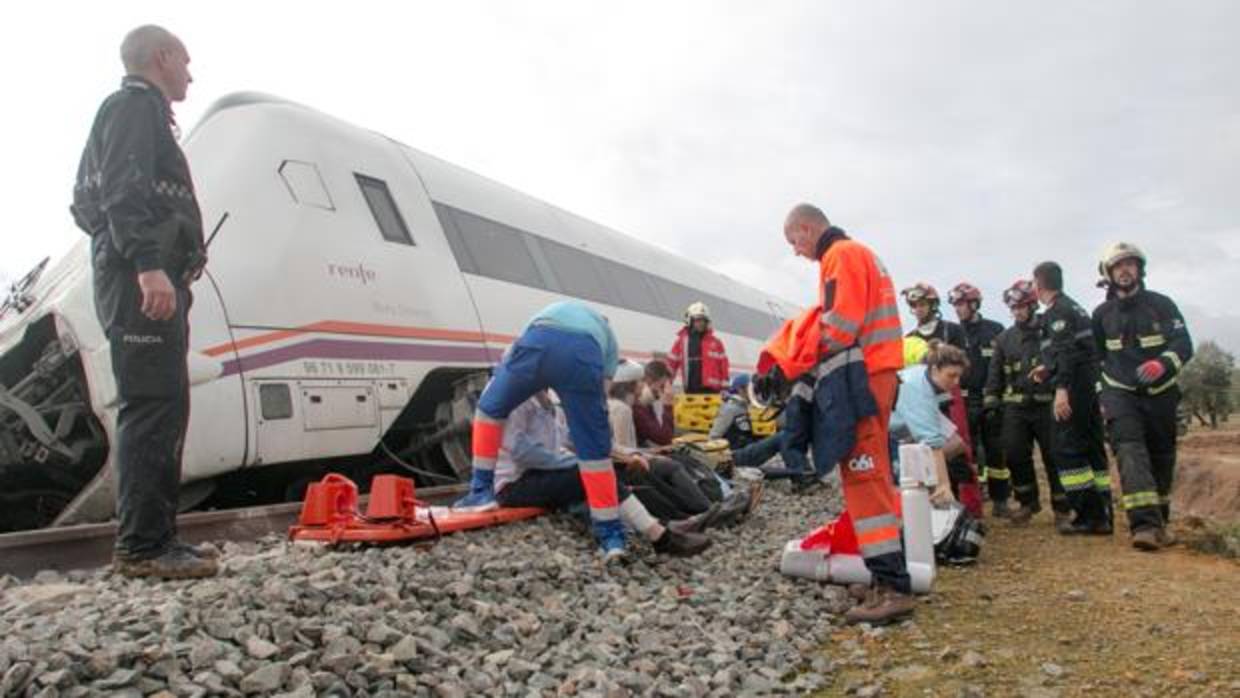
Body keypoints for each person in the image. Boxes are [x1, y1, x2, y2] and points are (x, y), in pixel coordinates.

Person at [71, 26, 215, 579]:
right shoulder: (134, 108)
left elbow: (87, 201)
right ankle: (143, 548)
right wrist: (147, 265)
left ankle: (157, 539)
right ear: (162, 58)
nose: (190, 73)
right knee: (152, 402)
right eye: (185, 60)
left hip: (142, 274)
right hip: (139, 279)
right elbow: (121, 191)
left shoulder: (138, 113)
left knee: (163, 401)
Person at [775, 203, 910, 625]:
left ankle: (893, 586)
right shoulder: (860, 254)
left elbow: (839, 327)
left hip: (864, 377)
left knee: (865, 475)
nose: (797, 252)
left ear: (807, 228)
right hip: (876, 374)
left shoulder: (840, 256)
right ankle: (885, 573)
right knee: (871, 476)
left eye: (794, 241)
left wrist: (796, 361)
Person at [454, 300, 631, 560]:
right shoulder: (609, 343)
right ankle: (612, 538)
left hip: (539, 339)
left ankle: (480, 493)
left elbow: (519, 348)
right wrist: (595, 439)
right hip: (582, 357)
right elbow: (599, 403)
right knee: (595, 456)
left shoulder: (552, 311)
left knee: (488, 410)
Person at [493, 390, 711, 556]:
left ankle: (659, 527)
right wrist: (575, 461)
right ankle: (659, 533)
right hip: (515, 485)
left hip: (537, 474)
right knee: (592, 473)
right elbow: (522, 451)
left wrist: (607, 457)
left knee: (606, 471)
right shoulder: (520, 402)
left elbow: (569, 441)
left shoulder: (546, 401)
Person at [1092, 243, 1193, 551]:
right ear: (1109, 274)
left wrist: (1162, 362)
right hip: (1120, 394)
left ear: (1139, 269)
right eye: (1118, 266)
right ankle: (1144, 526)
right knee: (1130, 450)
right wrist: (1102, 394)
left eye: (1130, 264)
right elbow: (1098, 358)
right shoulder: (1101, 315)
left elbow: (1183, 344)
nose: (1125, 270)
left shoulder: (1161, 305)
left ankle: (1160, 520)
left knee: (1162, 457)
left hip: (1161, 395)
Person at [1032, 262, 1112, 535]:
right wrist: (1048, 368)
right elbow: (1075, 349)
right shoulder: (1074, 306)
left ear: (1038, 285)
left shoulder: (1058, 311)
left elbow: (1066, 351)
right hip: (1088, 383)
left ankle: (1089, 515)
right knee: (1092, 446)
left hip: (1075, 385)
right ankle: (1103, 511)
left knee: (1065, 449)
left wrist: (1062, 389)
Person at [984, 280, 1070, 526]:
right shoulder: (1004, 339)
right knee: (1014, 454)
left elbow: (1063, 360)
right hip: (1015, 408)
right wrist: (992, 402)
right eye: (1013, 308)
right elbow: (995, 373)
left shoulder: (1050, 330)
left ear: (1032, 305)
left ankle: (1062, 509)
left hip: (1047, 406)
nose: (1017, 312)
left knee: (1054, 457)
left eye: (1021, 306)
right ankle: (1027, 503)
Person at [948, 282, 1010, 516]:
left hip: (991, 399)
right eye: (955, 304)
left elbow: (1004, 365)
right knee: (969, 451)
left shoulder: (995, 329)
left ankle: (1001, 499)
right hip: (964, 401)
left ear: (974, 304)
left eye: (962, 303)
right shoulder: (954, 332)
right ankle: (973, 498)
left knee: (996, 451)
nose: (958, 309)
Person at [889, 341, 963, 507]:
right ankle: (926, 496)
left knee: (956, 443)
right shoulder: (918, 390)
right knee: (917, 463)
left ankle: (927, 480)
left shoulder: (927, 374)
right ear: (935, 370)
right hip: (887, 429)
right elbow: (932, 444)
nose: (956, 382)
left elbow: (950, 442)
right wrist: (944, 485)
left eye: (959, 376)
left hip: (907, 419)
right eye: (951, 376)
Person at [666, 302, 730, 394]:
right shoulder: (682, 342)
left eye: (704, 320)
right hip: (691, 391)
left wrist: (725, 389)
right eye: (698, 320)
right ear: (690, 321)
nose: (701, 323)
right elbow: (671, 365)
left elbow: (724, 367)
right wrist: (667, 384)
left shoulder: (716, 343)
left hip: (713, 392)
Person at [632, 359, 675, 447]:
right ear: (648, 381)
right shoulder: (637, 407)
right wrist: (668, 406)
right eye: (662, 386)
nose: (665, 392)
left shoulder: (648, 405)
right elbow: (664, 439)